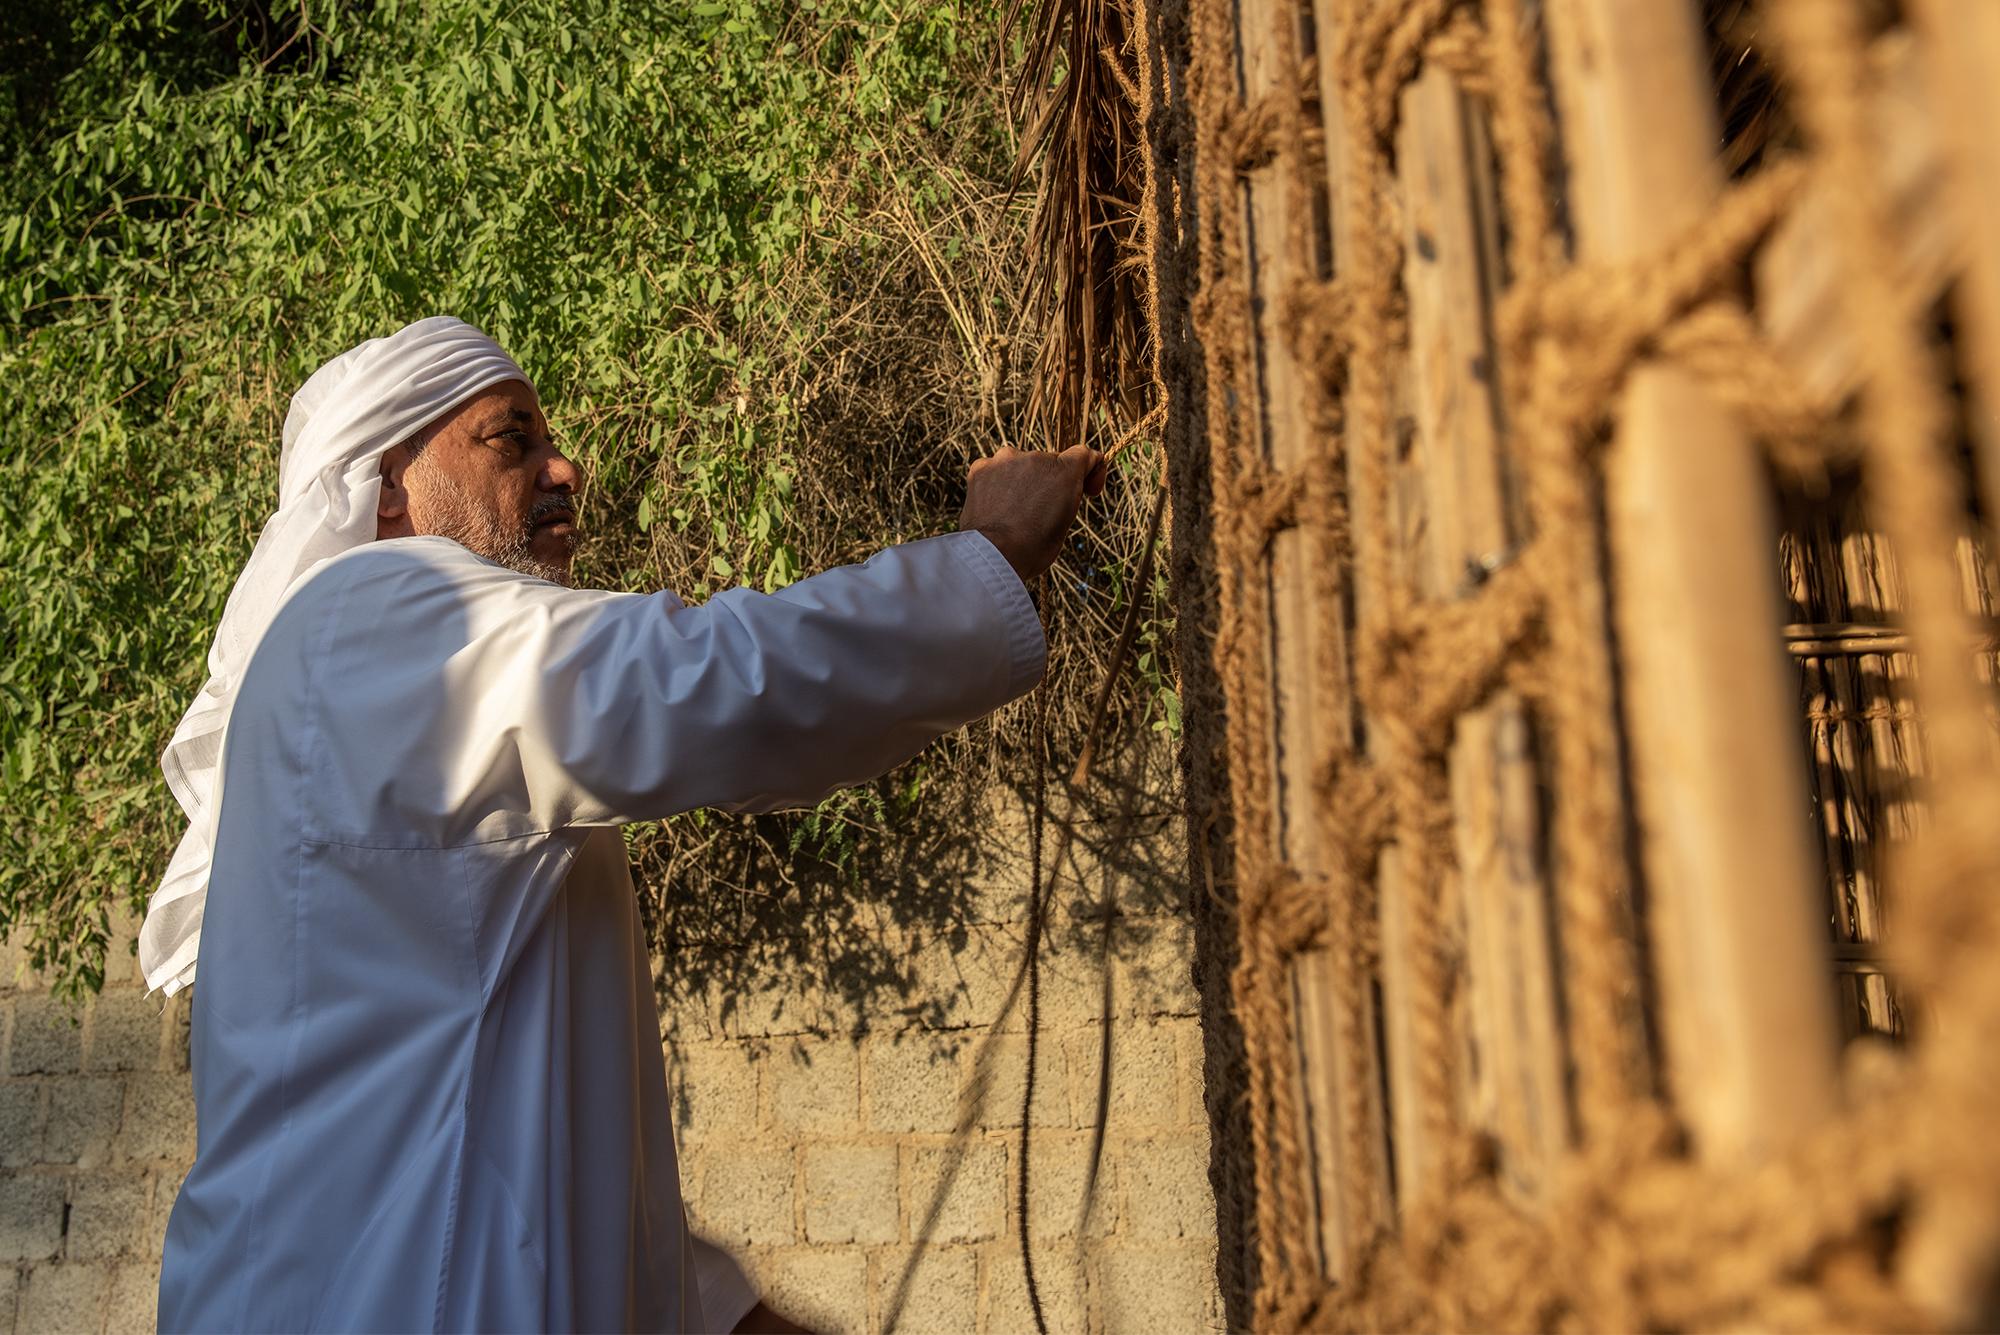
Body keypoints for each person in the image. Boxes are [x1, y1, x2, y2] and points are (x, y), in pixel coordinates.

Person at [142, 316, 1106, 1333]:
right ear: (383, 490)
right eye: (510, 440)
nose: (567, 468)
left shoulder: (386, 691)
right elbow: (708, 683)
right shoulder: (376, 614)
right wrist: (988, 551)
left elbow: (533, 1169)